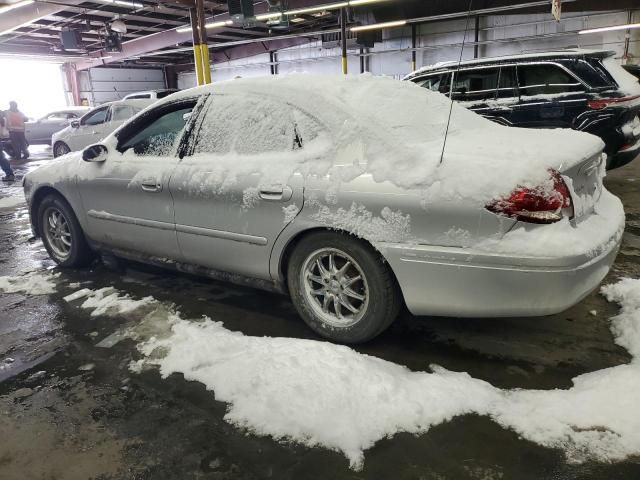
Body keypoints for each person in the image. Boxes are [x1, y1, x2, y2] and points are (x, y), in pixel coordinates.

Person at [0, 112, 15, 182]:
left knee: (1, 158)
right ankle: (9, 174)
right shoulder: (3, 119)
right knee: (2, 158)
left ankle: (9, 175)